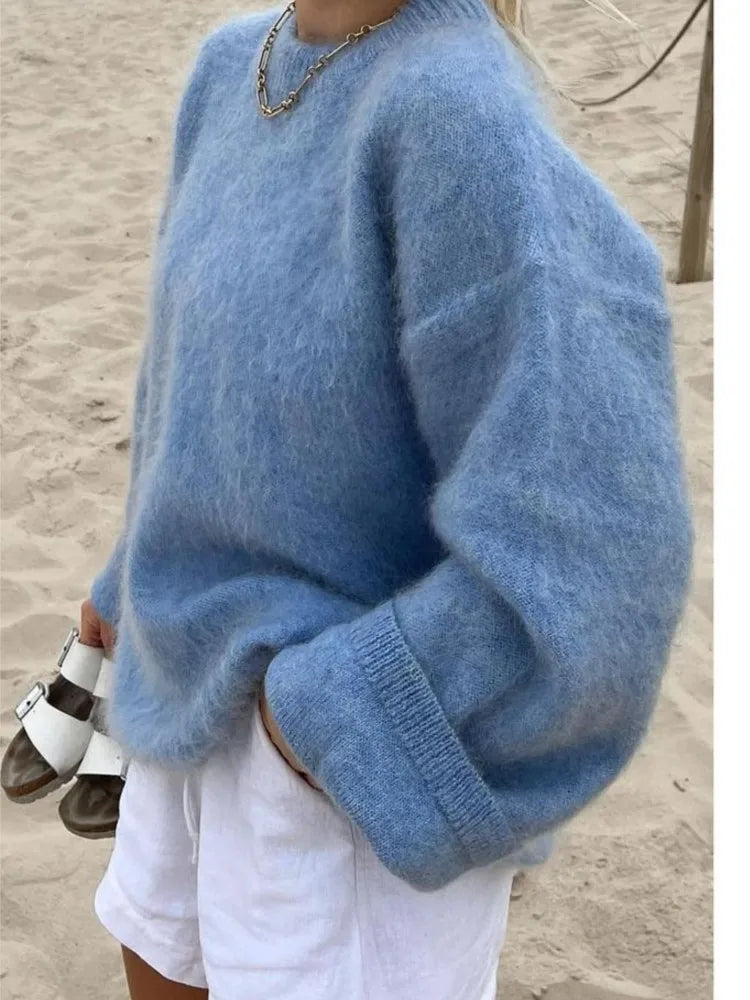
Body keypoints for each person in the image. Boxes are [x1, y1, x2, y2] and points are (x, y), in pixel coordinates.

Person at [80, 0, 694, 996]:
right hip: (180, 700)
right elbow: (191, 387)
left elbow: (601, 562)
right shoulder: (230, 67)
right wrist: (127, 574)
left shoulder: (460, 115)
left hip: (339, 794)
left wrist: (334, 719)